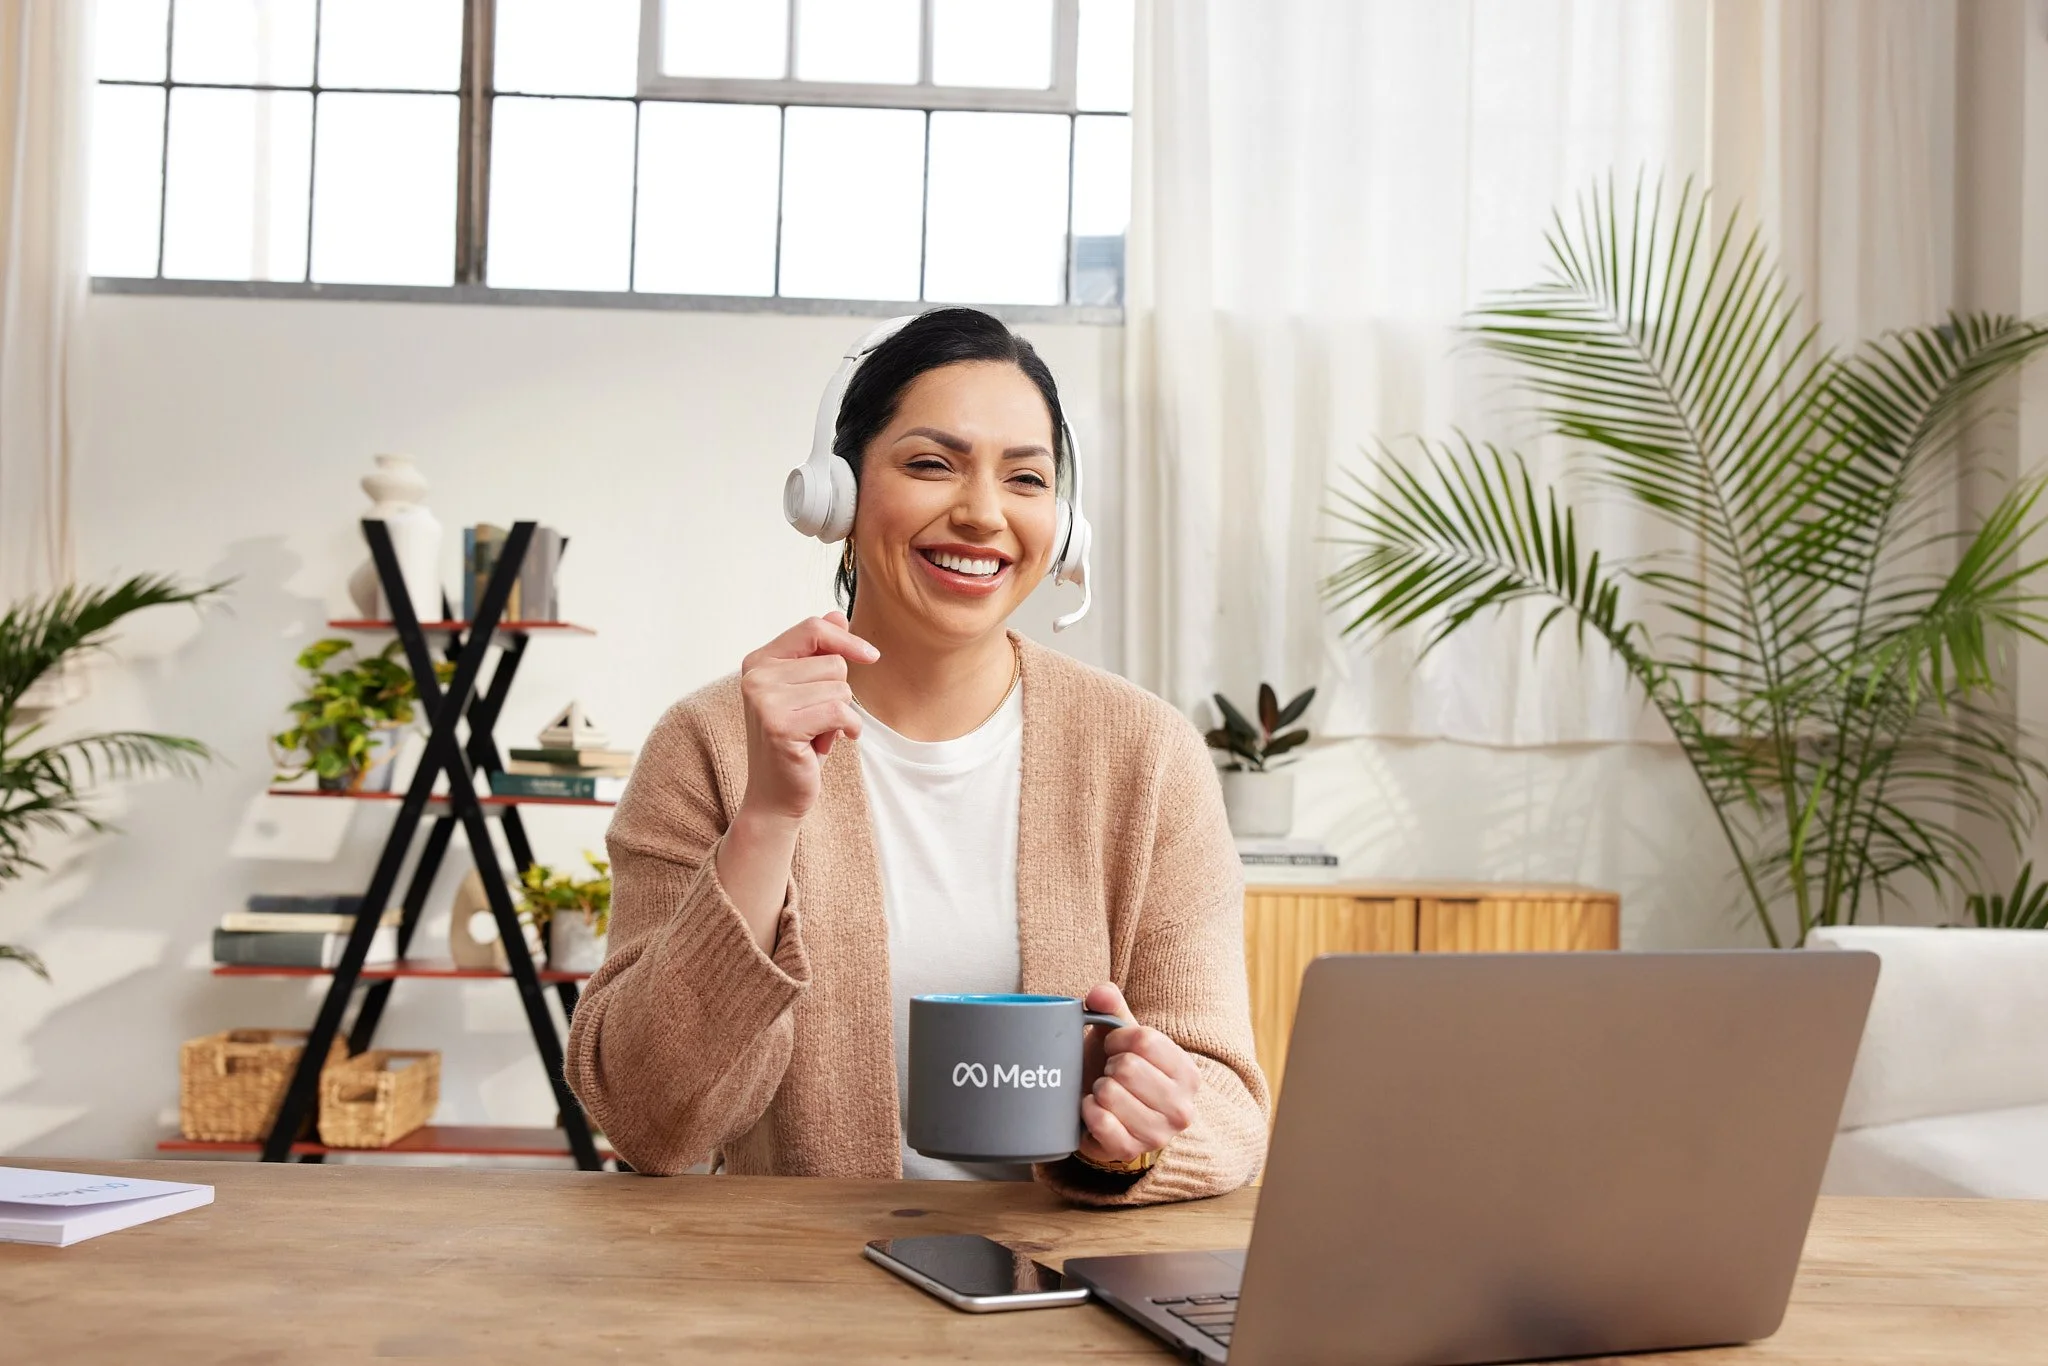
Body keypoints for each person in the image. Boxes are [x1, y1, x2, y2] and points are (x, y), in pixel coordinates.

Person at [565, 307, 1268, 1204]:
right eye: (932, 464)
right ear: (837, 495)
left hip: (1058, 1296)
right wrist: (768, 819)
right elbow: (651, 1121)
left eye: (1026, 478)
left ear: (1063, 521)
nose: (982, 514)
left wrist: (1133, 1135)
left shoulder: (1147, 754)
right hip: (807, 1302)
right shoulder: (709, 743)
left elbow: (1229, 1106)